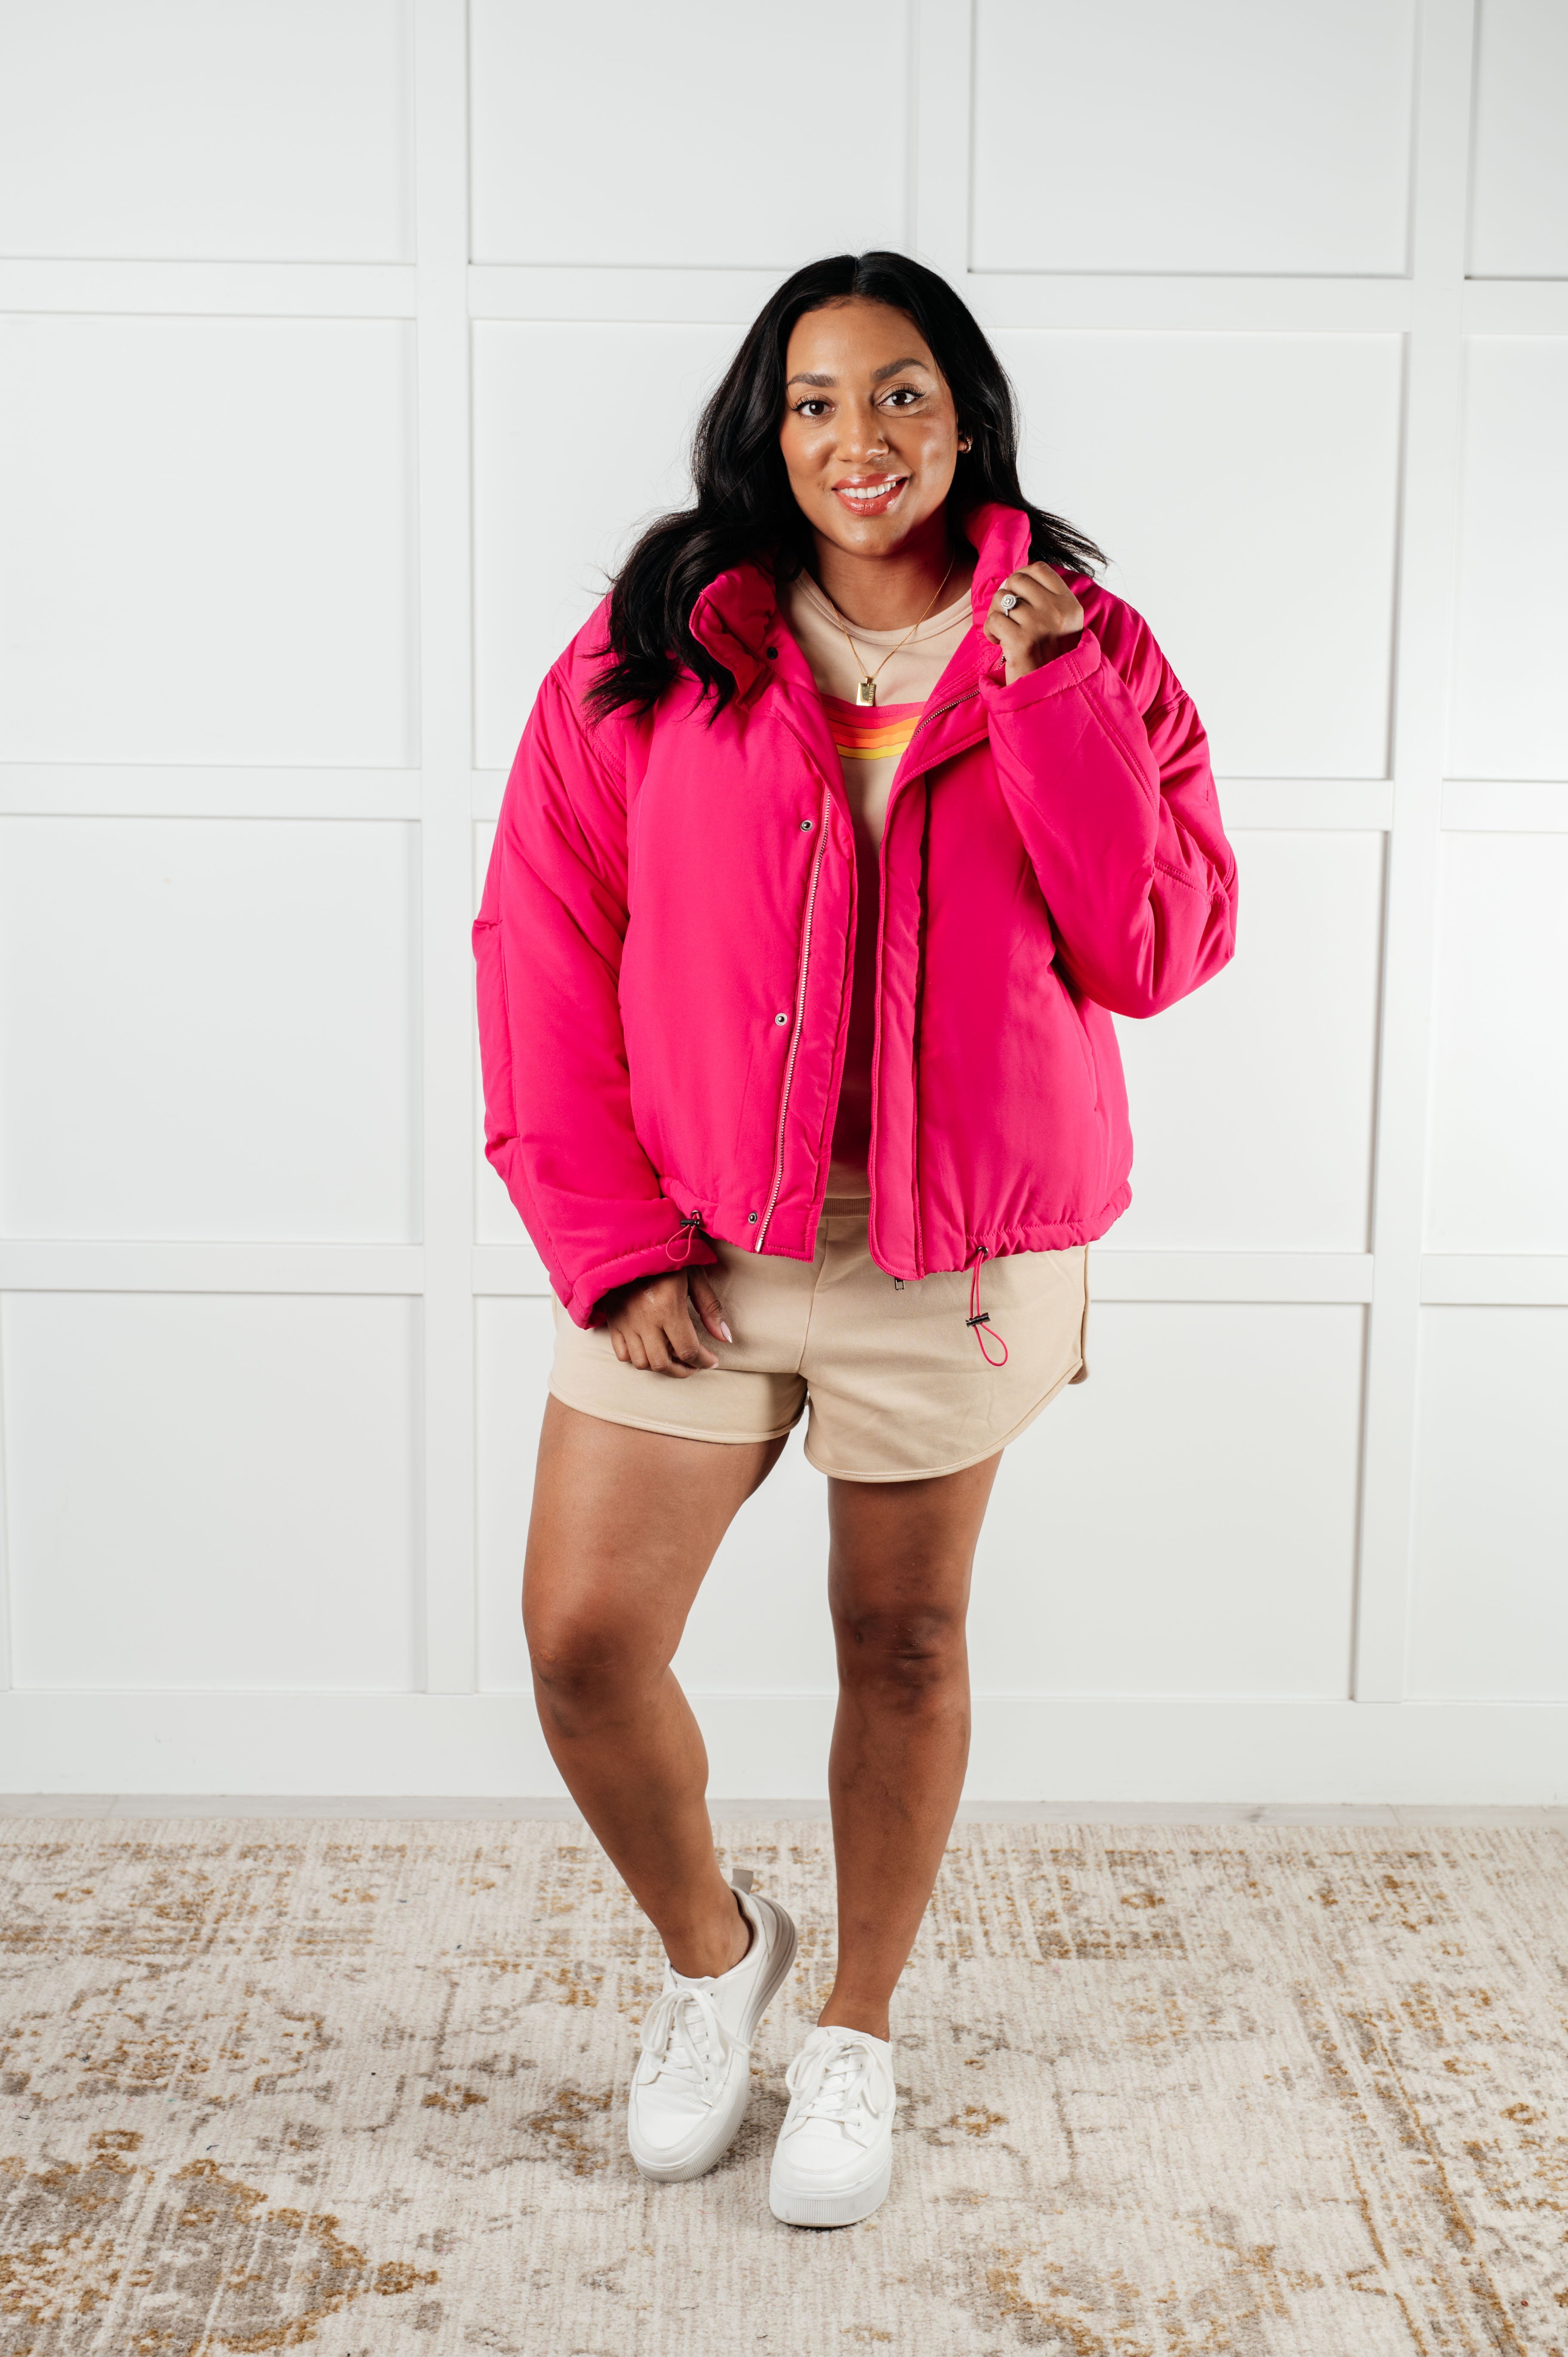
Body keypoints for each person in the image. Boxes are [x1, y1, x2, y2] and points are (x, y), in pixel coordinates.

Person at [474, 250, 1237, 2228]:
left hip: (955, 1250)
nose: (859, 438)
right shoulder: (661, 645)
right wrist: (610, 1241)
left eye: (901, 393)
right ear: (769, 425)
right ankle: (719, 1963)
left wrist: (1057, 697)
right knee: (584, 1646)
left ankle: (858, 2033)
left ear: (965, 417)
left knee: (901, 1639)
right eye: (815, 400)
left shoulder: (1085, 640)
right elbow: (544, 943)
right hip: (697, 1240)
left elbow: (1155, 949)